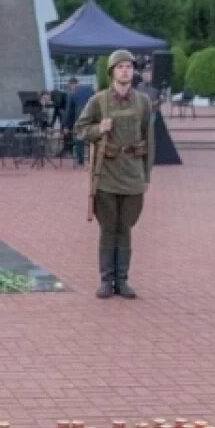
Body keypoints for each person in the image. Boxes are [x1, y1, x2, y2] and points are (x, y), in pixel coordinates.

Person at [75, 50, 153, 299]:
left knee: (126, 227)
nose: (125, 71)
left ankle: (123, 280)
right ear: (111, 72)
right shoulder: (99, 101)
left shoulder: (143, 102)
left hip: (132, 174)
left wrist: (146, 175)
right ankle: (107, 281)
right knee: (109, 228)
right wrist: (100, 128)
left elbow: (149, 140)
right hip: (106, 174)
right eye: (120, 67)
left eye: (129, 67)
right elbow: (80, 130)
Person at [63, 77, 94, 167]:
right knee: (92, 141)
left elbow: (69, 112)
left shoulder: (72, 94)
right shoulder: (90, 90)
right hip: (92, 119)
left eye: (69, 86)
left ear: (71, 84)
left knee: (79, 141)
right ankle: (92, 161)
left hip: (79, 120)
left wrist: (66, 126)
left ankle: (81, 162)